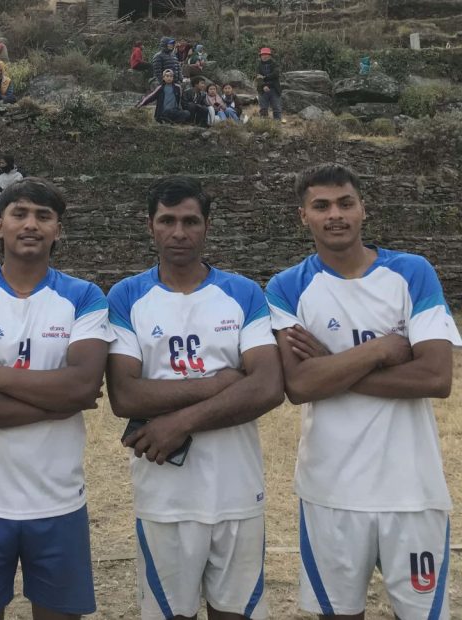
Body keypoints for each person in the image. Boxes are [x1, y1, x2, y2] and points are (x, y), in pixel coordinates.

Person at [265, 163, 460, 620]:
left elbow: (436, 378)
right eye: (321, 206)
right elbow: (299, 385)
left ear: (362, 209)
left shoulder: (412, 272)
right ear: (303, 216)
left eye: (345, 203)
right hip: (330, 491)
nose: (335, 214)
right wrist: (381, 350)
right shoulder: (287, 287)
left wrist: (331, 365)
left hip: (412, 491)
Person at [0, 177, 113, 620]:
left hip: (59, 501)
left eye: (43, 216)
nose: (31, 224)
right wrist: (59, 400)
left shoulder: (84, 296)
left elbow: (82, 386)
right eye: (20, 214)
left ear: (58, 231)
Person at [107, 175, 283, 620]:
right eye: (167, 221)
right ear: (150, 226)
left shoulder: (242, 292)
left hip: (237, 489)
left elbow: (266, 386)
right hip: (165, 495)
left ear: (207, 225)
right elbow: (125, 395)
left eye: (190, 221)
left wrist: (179, 422)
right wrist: (220, 382)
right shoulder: (127, 296)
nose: (179, 232)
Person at [255, 47, 282, 121]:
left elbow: (276, 74)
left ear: (270, 55)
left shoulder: (275, 64)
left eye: (266, 54)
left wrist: (264, 77)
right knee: (263, 109)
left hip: (274, 89)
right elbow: (258, 78)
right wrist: (264, 86)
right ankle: (265, 124)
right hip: (262, 90)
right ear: (260, 56)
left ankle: (277, 124)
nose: (264, 56)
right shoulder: (258, 66)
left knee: (276, 108)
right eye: (263, 54)